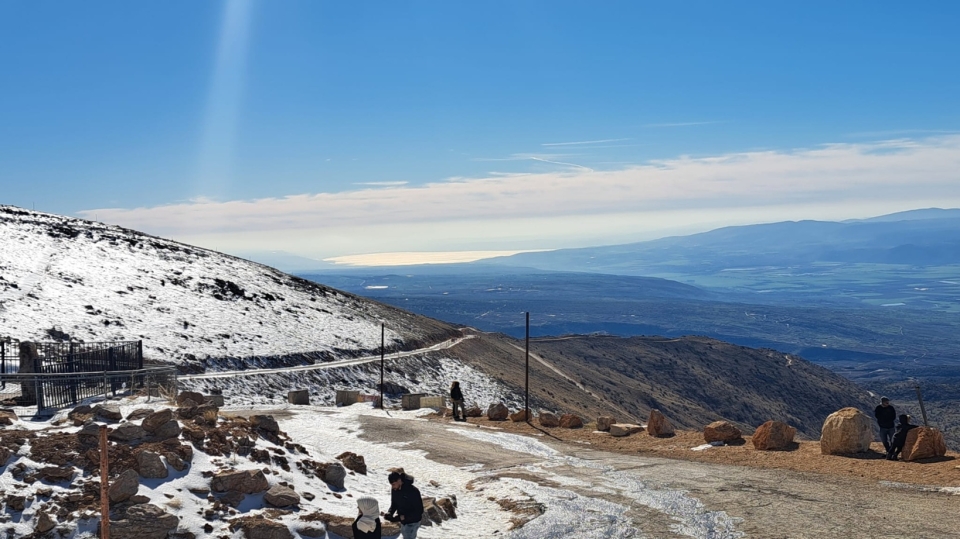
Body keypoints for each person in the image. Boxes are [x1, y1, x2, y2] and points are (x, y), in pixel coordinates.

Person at [384, 470, 424, 539]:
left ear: (399, 480)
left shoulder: (413, 491)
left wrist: (404, 517)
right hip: (403, 521)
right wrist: (390, 512)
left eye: (393, 484)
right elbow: (394, 503)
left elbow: (419, 511)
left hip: (413, 522)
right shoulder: (395, 489)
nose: (393, 487)